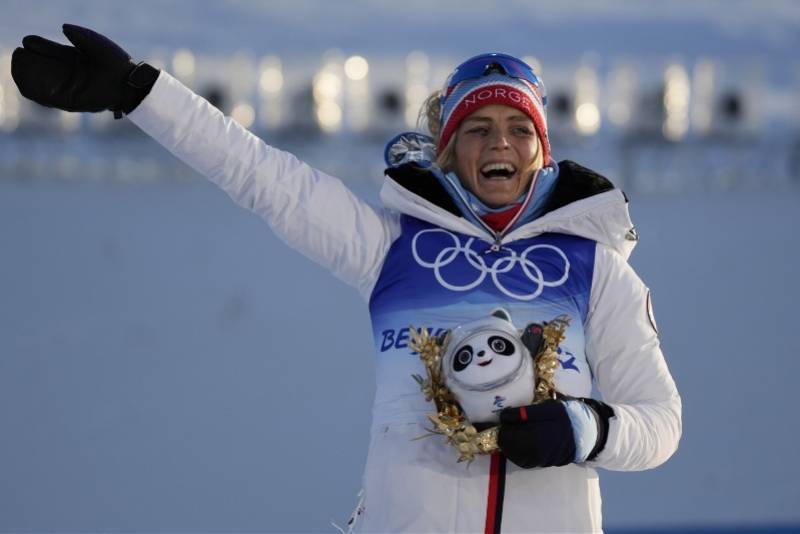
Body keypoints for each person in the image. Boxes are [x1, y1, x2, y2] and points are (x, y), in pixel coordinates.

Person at [11, 25, 682, 533]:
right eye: (477, 128)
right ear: (448, 151)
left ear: (543, 151)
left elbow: (661, 424)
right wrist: (140, 93)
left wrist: (585, 429)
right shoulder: (390, 248)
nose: (498, 143)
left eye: (517, 128)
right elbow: (262, 177)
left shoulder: (596, 270)